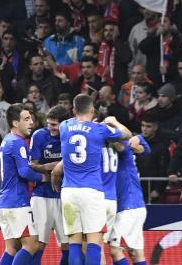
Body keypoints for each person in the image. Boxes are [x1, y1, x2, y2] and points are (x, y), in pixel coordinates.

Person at [58, 94, 131, 265]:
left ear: (73, 110)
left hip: (68, 191)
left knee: (74, 244)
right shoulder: (99, 130)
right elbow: (126, 134)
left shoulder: (64, 126)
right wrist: (112, 121)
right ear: (92, 110)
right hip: (92, 191)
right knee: (94, 242)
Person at [0, 103, 46, 265]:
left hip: (4, 203)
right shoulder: (17, 142)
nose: (31, 122)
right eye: (26, 119)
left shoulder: (6, 140)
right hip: (17, 202)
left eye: (31, 118)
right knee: (32, 244)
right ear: (15, 123)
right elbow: (24, 172)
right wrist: (42, 177)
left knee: (12, 248)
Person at [29, 105, 70, 264]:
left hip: (65, 196)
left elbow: (72, 163)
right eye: (48, 123)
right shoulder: (39, 135)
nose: (50, 127)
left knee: (67, 245)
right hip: (41, 196)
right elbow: (33, 165)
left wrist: (45, 168)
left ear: (64, 124)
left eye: (54, 124)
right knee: (38, 244)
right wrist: (58, 166)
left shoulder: (70, 137)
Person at [108, 135, 151, 265]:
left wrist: (137, 138)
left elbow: (144, 145)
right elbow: (146, 149)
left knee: (115, 250)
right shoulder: (113, 153)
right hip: (134, 206)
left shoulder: (124, 151)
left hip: (129, 207)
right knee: (136, 253)